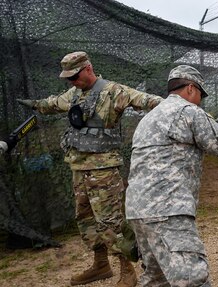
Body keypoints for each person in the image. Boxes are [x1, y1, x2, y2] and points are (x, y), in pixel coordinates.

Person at [17, 51, 163, 287]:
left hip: (104, 169)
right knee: (85, 218)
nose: (72, 82)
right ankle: (101, 265)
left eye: (74, 76)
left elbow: (149, 101)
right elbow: (53, 104)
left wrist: (178, 105)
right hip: (78, 166)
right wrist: (34, 104)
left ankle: (127, 270)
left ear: (88, 68)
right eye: (68, 79)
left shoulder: (115, 91)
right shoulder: (74, 94)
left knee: (110, 221)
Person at [125, 64, 218, 286]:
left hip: (138, 211)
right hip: (168, 211)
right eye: (201, 95)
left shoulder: (149, 117)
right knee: (192, 278)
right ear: (191, 88)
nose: (200, 100)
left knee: (157, 278)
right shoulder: (189, 112)